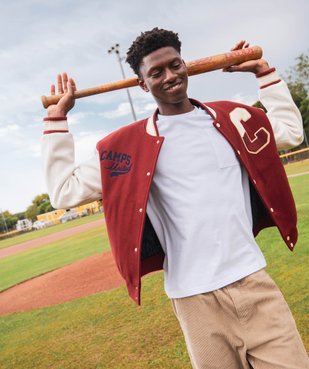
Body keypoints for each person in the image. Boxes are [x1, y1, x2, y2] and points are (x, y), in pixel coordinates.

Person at [42, 28, 309, 369]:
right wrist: (56, 119)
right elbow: (63, 190)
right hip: (194, 299)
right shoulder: (128, 148)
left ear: (185, 65)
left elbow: (289, 131)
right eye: (156, 72)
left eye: (175, 65)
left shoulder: (231, 119)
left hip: (254, 282)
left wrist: (263, 73)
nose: (170, 76)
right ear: (142, 84)